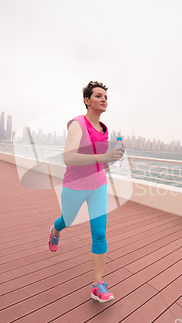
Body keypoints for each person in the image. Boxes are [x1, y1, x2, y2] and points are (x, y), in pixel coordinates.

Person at [48, 81, 124, 303]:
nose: (103, 100)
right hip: (75, 186)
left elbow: (98, 163)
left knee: (99, 233)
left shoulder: (104, 129)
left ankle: (97, 285)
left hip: (98, 185)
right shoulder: (77, 124)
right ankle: (55, 230)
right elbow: (69, 157)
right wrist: (103, 157)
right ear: (87, 100)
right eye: (98, 96)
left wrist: (112, 159)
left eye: (106, 97)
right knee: (67, 220)